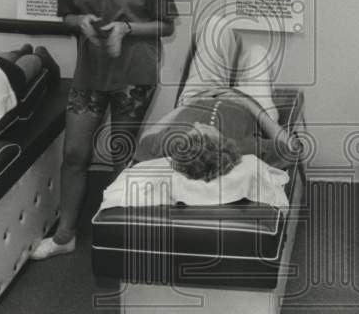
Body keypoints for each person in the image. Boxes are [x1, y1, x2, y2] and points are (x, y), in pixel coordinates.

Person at [32, 0, 177, 260]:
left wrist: (127, 28)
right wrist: (78, 22)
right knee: (75, 153)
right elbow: (65, 15)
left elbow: (167, 24)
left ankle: (117, 235)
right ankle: (66, 237)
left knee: (119, 154)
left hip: (135, 73)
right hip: (91, 73)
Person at [101, 14, 300, 210]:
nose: (195, 125)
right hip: (251, 104)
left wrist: (184, 107)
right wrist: (247, 104)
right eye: (201, 131)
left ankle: (231, 56)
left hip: (198, 97)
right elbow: (292, 148)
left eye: (191, 131)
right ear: (220, 144)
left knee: (215, 24)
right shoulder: (244, 148)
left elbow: (146, 139)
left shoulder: (176, 143)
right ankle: (238, 63)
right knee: (258, 53)